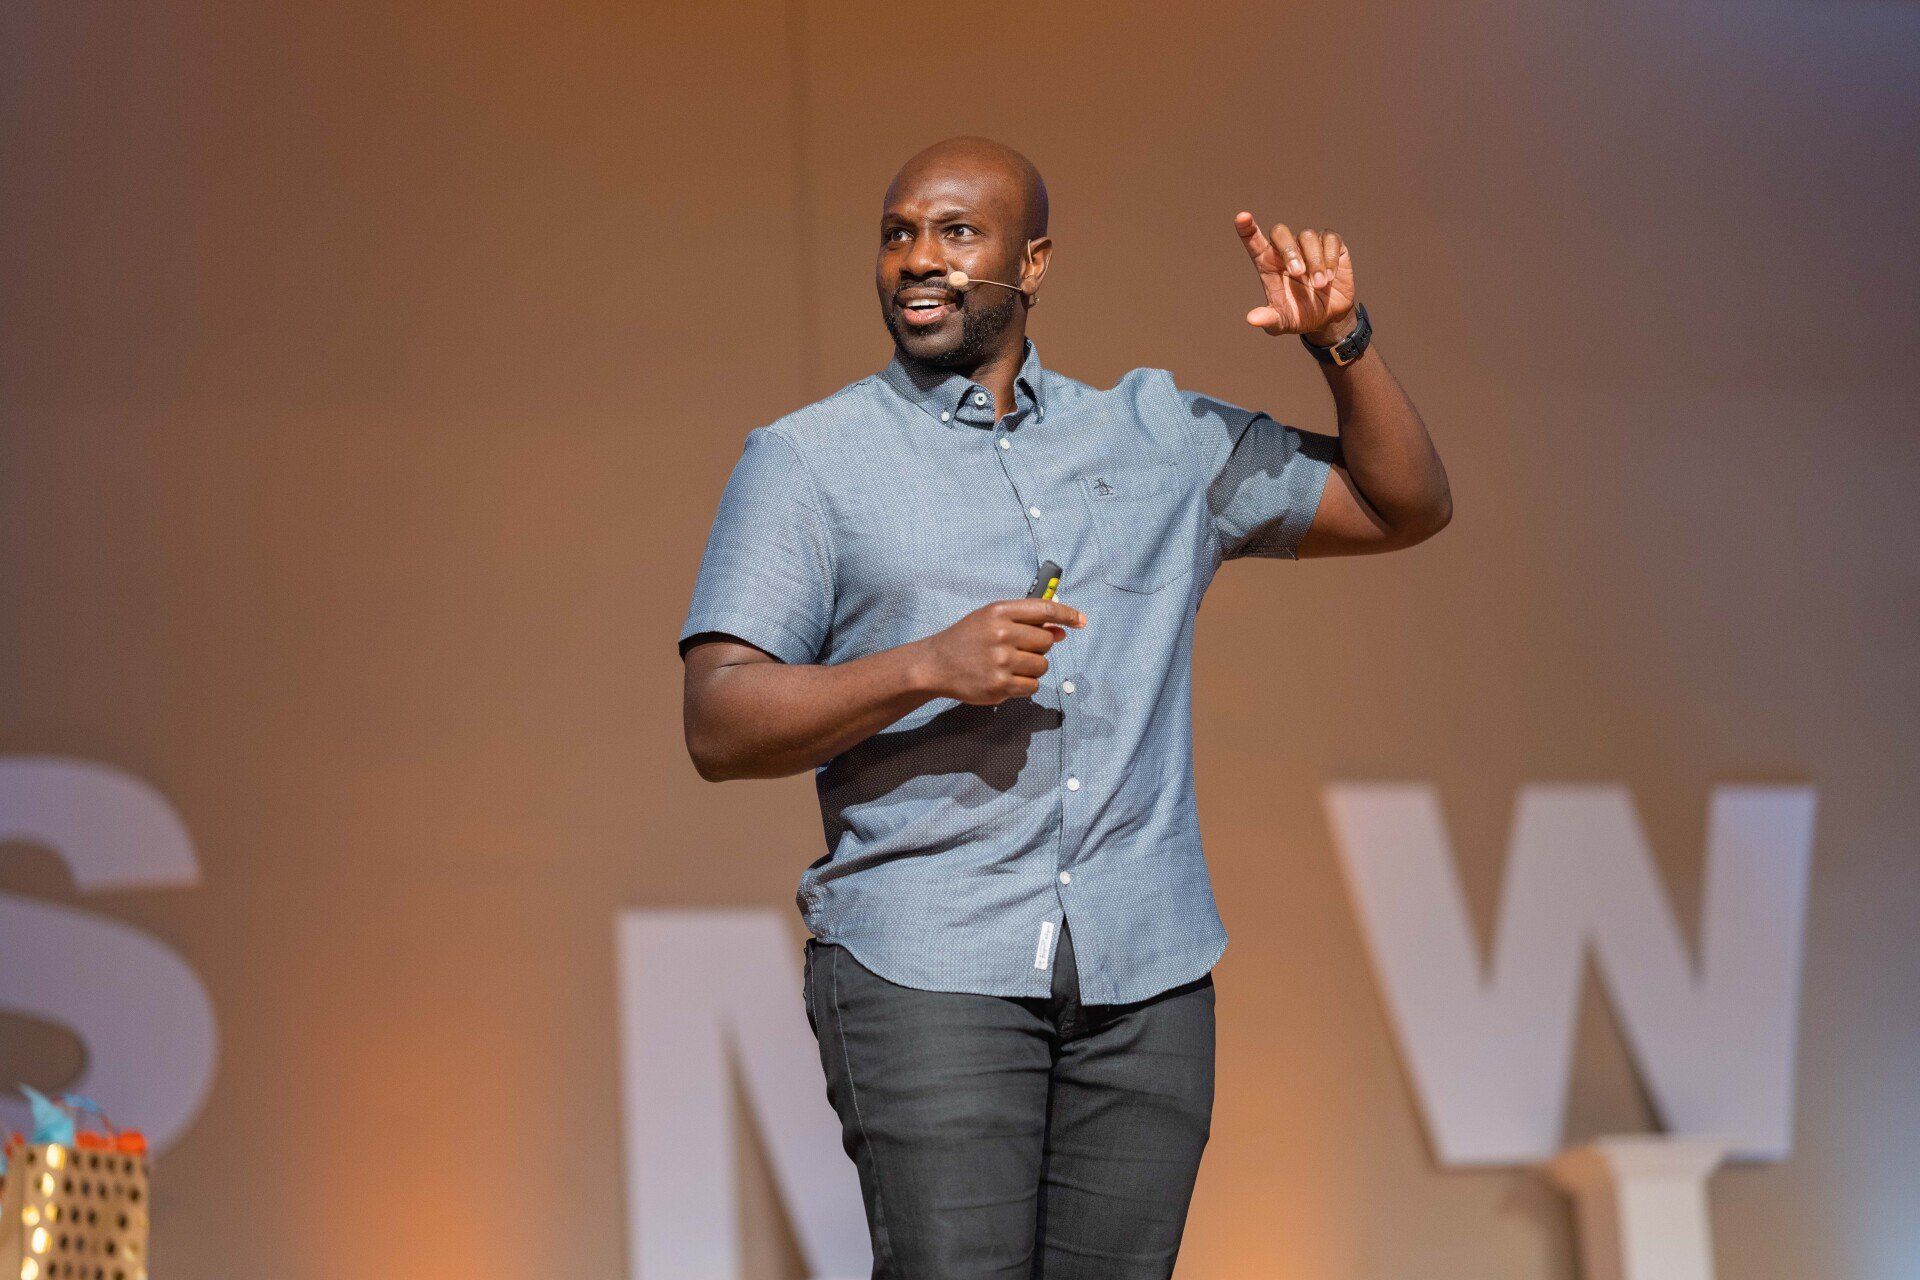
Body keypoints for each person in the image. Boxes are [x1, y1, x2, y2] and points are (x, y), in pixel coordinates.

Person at [676, 135, 1450, 1279]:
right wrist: (923, 665)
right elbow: (718, 717)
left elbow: (1404, 504)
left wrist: (1343, 341)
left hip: (1146, 976)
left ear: (1032, 264)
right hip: (927, 966)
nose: (917, 258)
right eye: (897, 234)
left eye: (955, 232)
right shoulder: (808, 460)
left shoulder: (1159, 437)